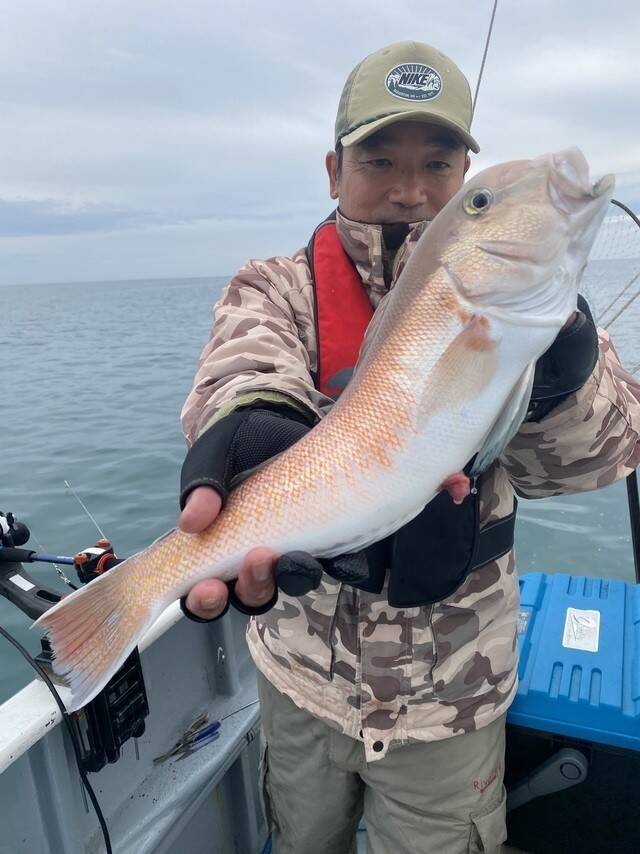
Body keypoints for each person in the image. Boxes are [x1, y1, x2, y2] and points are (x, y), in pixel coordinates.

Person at [178, 41, 640, 854]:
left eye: (441, 164)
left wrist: (566, 375)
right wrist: (249, 427)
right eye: (379, 157)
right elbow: (239, 375)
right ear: (333, 169)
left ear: (467, 170)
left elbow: (596, 462)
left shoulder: (539, 315)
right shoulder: (275, 287)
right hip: (298, 676)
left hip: (454, 696)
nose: (409, 188)